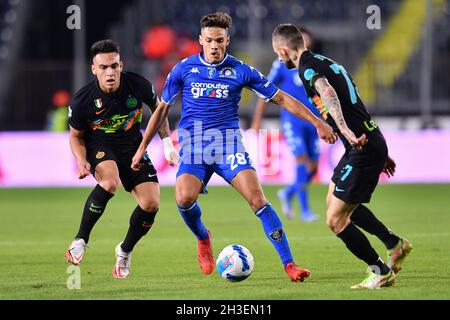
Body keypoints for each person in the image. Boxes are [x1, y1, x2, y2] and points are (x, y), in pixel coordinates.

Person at [132, 12, 337, 282]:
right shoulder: (184, 68)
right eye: (209, 40)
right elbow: (161, 110)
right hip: (194, 147)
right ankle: (203, 238)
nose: (214, 45)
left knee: (258, 200)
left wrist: (317, 123)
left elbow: (282, 99)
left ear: (227, 40)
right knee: (183, 198)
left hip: (229, 146)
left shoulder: (242, 71)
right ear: (200, 40)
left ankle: (290, 264)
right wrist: (142, 147)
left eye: (219, 40)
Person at [272, 24, 413, 289]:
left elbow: (327, 92)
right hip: (366, 142)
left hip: (360, 146)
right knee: (332, 198)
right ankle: (394, 244)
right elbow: (355, 102)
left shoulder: (308, 68)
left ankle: (380, 271)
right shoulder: (325, 61)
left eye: (278, 55)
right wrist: (379, 147)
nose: (279, 59)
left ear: (283, 50)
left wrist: (346, 131)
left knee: (335, 220)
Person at [64, 40, 178, 279]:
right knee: (110, 181)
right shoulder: (82, 101)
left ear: (121, 65)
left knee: (151, 204)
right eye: (103, 67)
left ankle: (124, 250)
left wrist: (167, 143)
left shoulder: (138, 85)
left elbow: (160, 111)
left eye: (114, 66)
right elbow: (75, 136)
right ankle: (81, 239)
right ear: (94, 69)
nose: (110, 72)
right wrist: (81, 159)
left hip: (133, 148)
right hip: (100, 147)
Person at [251, 25, 320, 222]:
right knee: (302, 161)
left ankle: (289, 193)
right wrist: (257, 121)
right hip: (293, 121)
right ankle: (305, 210)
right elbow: (264, 91)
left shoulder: (312, 63)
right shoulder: (281, 64)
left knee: (313, 167)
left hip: (313, 121)